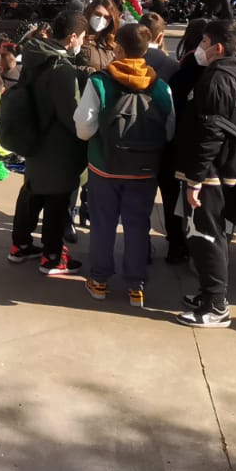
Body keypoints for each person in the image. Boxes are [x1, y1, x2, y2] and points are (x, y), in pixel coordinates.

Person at [172, 18, 236, 329]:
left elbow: (209, 132)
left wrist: (195, 178)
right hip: (227, 168)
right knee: (209, 234)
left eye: (203, 43)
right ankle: (207, 295)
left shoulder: (215, 79)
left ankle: (215, 305)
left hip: (212, 171)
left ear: (218, 47)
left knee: (205, 235)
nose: (199, 48)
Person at [72, 22, 176, 307]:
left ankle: (100, 281)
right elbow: (170, 130)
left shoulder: (100, 82)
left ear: (117, 47)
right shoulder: (160, 87)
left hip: (104, 165)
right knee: (137, 224)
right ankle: (136, 285)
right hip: (144, 171)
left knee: (103, 223)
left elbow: (83, 126)